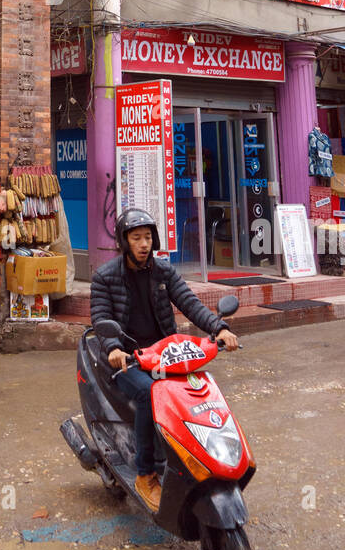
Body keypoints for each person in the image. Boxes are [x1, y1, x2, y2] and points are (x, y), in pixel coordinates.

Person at [90, 207, 238, 512]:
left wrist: (218, 328)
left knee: (199, 393)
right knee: (150, 394)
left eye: (147, 237)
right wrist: (114, 347)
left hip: (164, 355)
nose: (143, 244)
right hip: (127, 359)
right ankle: (146, 474)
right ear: (124, 241)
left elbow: (190, 303)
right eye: (136, 238)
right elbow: (101, 317)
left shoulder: (164, 273)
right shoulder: (105, 277)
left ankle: (200, 458)